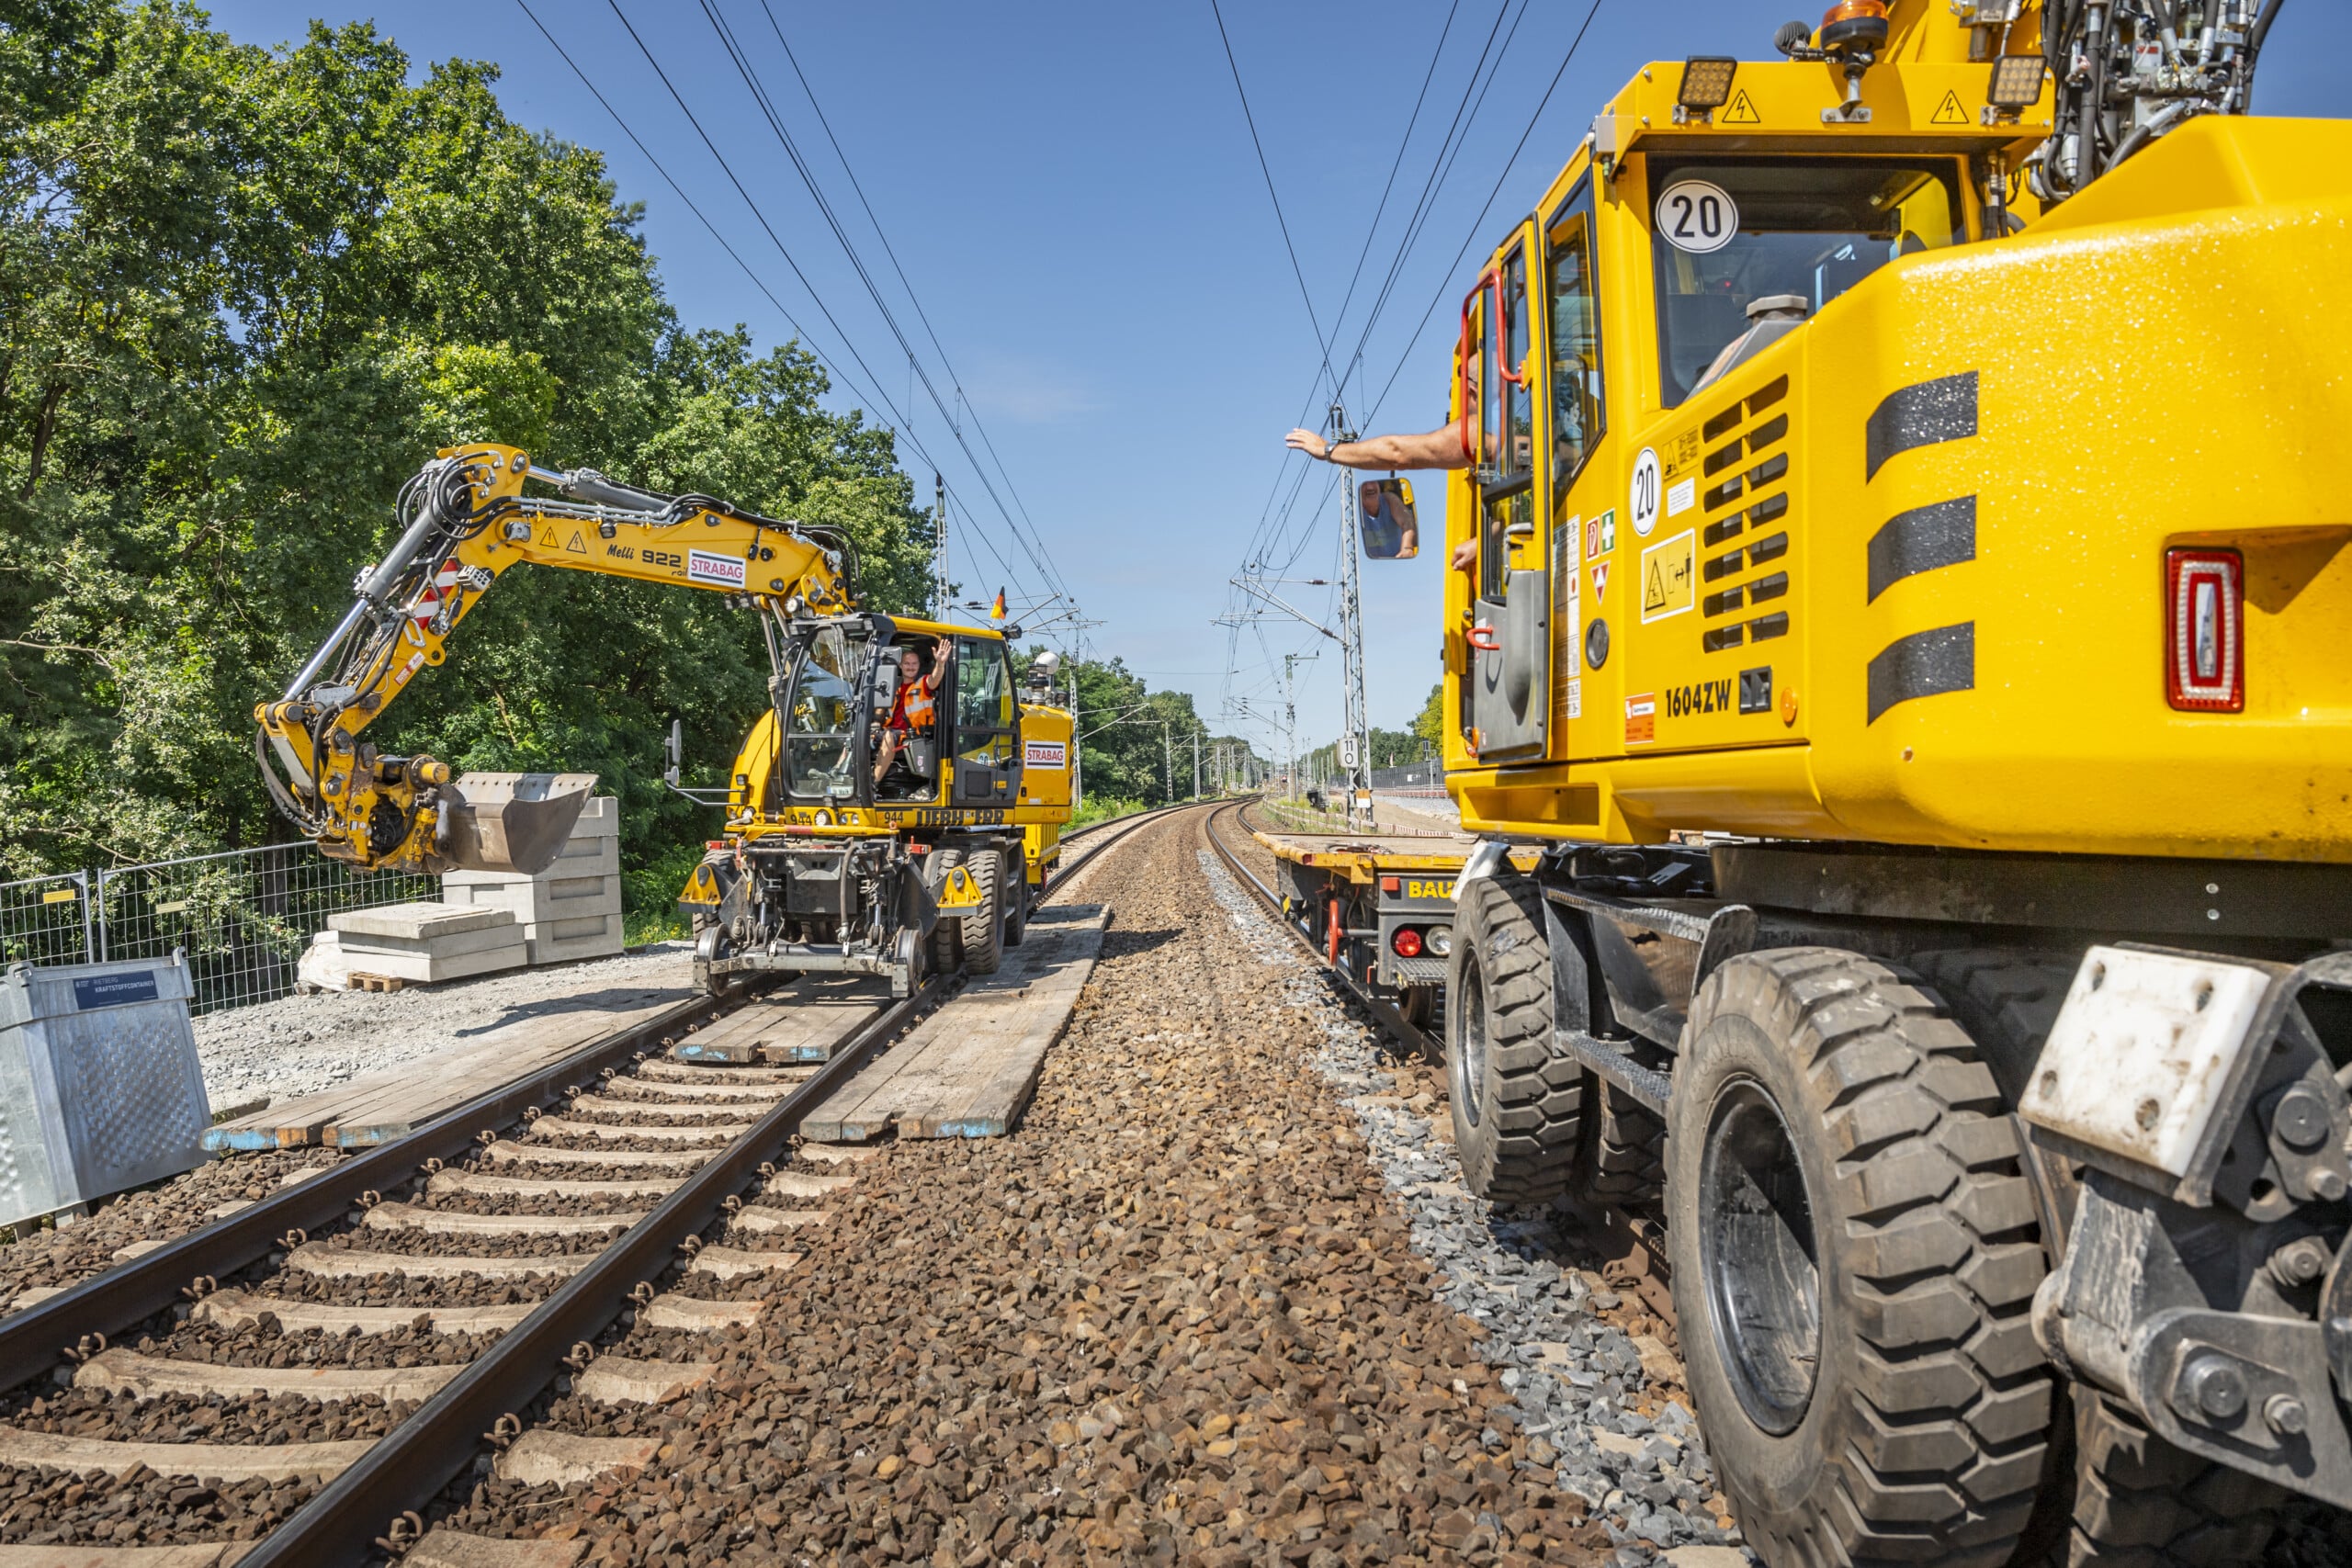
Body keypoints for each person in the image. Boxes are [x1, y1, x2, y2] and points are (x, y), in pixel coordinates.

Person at [1286, 423, 1480, 574]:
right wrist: (1482, 542)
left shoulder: (1479, 430)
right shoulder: (1490, 429)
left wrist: (1328, 450)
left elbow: (1397, 453)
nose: (1371, 486)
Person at [873, 637, 952, 788]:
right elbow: (881, 709)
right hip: (891, 731)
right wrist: (875, 723)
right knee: (857, 734)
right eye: (907, 664)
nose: (911, 667)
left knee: (889, 736)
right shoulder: (893, 686)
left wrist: (940, 663)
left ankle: (873, 784)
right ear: (901, 666)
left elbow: (935, 680)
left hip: (912, 735)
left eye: (914, 663)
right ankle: (839, 773)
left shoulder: (923, 683)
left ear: (919, 666)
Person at [1358, 480, 1419, 558]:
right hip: (1374, 568)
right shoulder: (1355, 511)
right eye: (1364, 484)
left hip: (1401, 564)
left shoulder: (1389, 499)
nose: (1370, 487)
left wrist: (1406, 549)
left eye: (1373, 482)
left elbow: (1407, 521)